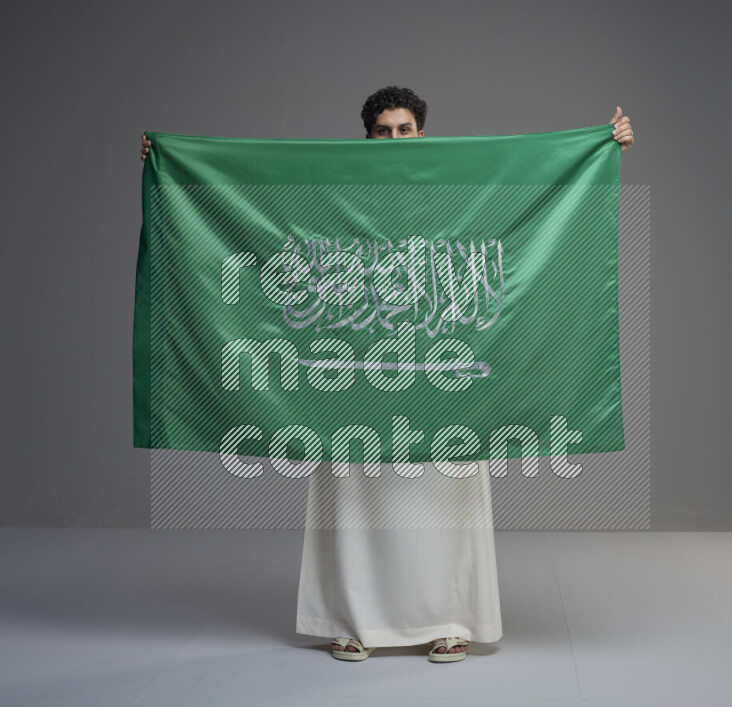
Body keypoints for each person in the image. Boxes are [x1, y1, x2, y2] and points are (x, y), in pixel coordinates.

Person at [139, 87, 634, 662]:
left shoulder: (460, 187)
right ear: (366, 137)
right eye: (383, 131)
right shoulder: (333, 189)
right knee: (353, 498)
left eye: (405, 130)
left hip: (445, 370)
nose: (394, 140)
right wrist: (169, 164)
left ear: (422, 134)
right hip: (353, 371)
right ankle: (352, 619)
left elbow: (536, 192)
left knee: (444, 496)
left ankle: (452, 619)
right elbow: (256, 209)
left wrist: (604, 147)